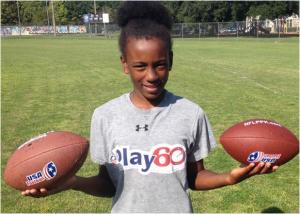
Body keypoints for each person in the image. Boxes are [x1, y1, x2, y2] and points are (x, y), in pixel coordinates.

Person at [22, 2, 278, 213]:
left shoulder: (191, 113)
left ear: (171, 60)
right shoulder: (105, 116)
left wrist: (229, 178)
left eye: (160, 64)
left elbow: (194, 177)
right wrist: (72, 182)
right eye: (140, 66)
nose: (152, 75)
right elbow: (109, 185)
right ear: (124, 64)